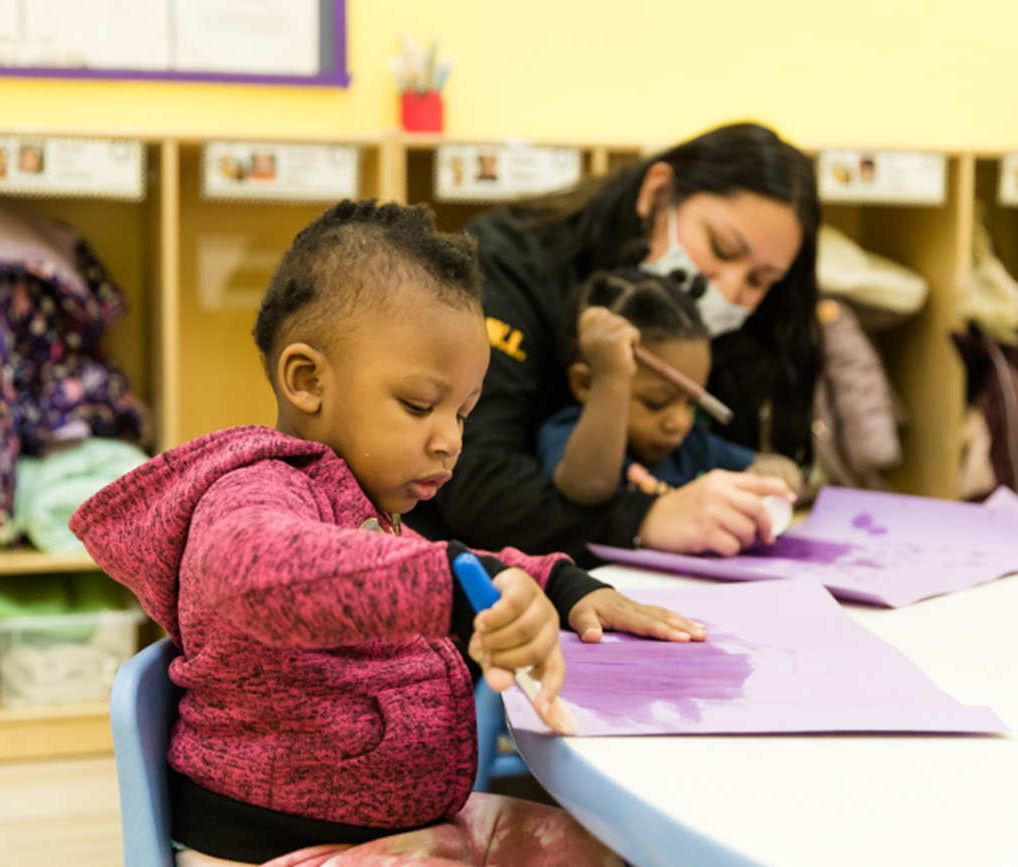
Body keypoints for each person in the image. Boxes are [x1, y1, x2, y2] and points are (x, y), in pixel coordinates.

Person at [69, 199, 705, 867]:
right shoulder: (257, 487)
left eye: (463, 413)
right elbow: (257, 572)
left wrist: (558, 582)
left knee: (619, 851)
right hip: (287, 851)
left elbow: (425, 559)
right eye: (418, 405)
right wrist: (459, 587)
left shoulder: (361, 501)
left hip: (409, 827)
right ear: (308, 380)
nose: (450, 442)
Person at [410, 121, 821, 564]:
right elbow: (474, 484)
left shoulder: (743, 333)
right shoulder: (509, 268)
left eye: (760, 281)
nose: (728, 291)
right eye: (721, 248)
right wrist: (647, 519)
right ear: (658, 193)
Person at [539, 267, 803, 506]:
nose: (679, 423)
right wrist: (611, 375)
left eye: (691, 402)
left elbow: (761, 464)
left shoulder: (693, 444)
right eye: (656, 403)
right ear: (585, 384)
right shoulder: (566, 433)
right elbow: (588, 488)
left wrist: (776, 473)